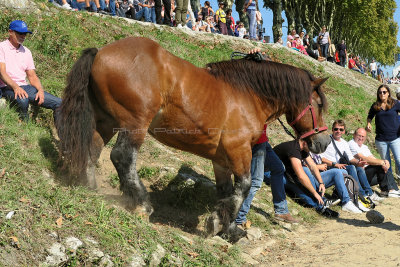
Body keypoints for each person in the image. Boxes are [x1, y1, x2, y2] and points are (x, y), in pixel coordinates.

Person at [235, 124, 298, 228]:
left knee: (278, 168)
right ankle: (239, 218)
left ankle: (281, 211)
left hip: (262, 140)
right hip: (256, 141)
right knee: (256, 181)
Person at [0, 20, 61, 122]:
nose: (23, 36)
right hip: (7, 87)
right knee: (23, 100)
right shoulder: (1, 47)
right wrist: (16, 87)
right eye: (20, 33)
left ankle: (62, 135)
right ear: (10, 32)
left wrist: (40, 90)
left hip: (25, 87)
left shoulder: (27, 51)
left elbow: (32, 76)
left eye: (25, 34)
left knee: (60, 103)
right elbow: (2, 73)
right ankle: (26, 125)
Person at [321, 120, 383, 209]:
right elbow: (321, 158)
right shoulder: (326, 140)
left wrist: (358, 163)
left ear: (344, 131)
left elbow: (351, 158)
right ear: (332, 130)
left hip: (342, 166)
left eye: (341, 130)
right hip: (331, 167)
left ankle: (367, 193)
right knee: (351, 167)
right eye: (336, 129)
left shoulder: (344, 143)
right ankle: (359, 194)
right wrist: (335, 164)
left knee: (359, 168)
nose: (338, 131)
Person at [273, 139, 339, 218]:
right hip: (269, 172)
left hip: (281, 170)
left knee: (302, 178)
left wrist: (321, 183)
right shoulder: (293, 150)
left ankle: (321, 201)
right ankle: (319, 207)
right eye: (311, 148)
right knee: (294, 186)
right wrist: (315, 193)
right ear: (304, 143)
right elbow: (301, 176)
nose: (311, 151)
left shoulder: (303, 147)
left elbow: (312, 166)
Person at [348, 128, 400, 198]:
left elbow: (373, 158)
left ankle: (391, 190)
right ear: (354, 135)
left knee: (383, 166)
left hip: (368, 174)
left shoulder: (364, 147)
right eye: (359, 135)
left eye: (363, 136)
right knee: (379, 165)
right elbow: (364, 158)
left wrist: (384, 162)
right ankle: (389, 190)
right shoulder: (351, 144)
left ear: (365, 137)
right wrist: (381, 162)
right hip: (360, 175)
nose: (361, 138)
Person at [366, 85, 400, 184]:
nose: (382, 94)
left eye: (384, 92)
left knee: (399, 160)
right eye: (380, 92)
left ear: (388, 93)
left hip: (395, 138)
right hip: (381, 140)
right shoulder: (375, 105)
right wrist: (368, 124)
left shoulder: (395, 103)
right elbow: (370, 116)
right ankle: (391, 185)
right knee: (386, 163)